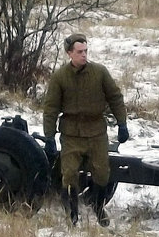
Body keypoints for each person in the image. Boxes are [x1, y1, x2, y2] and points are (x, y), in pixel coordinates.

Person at [42, 32, 128, 226]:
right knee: (69, 173)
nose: (84, 55)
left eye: (86, 51)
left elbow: (115, 97)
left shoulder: (99, 72)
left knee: (102, 172)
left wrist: (122, 123)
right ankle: (71, 213)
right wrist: (49, 136)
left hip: (96, 130)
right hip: (71, 133)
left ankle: (98, 205)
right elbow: (51, 108)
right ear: (69, 53)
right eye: (79, 52)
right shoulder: (60, 77)